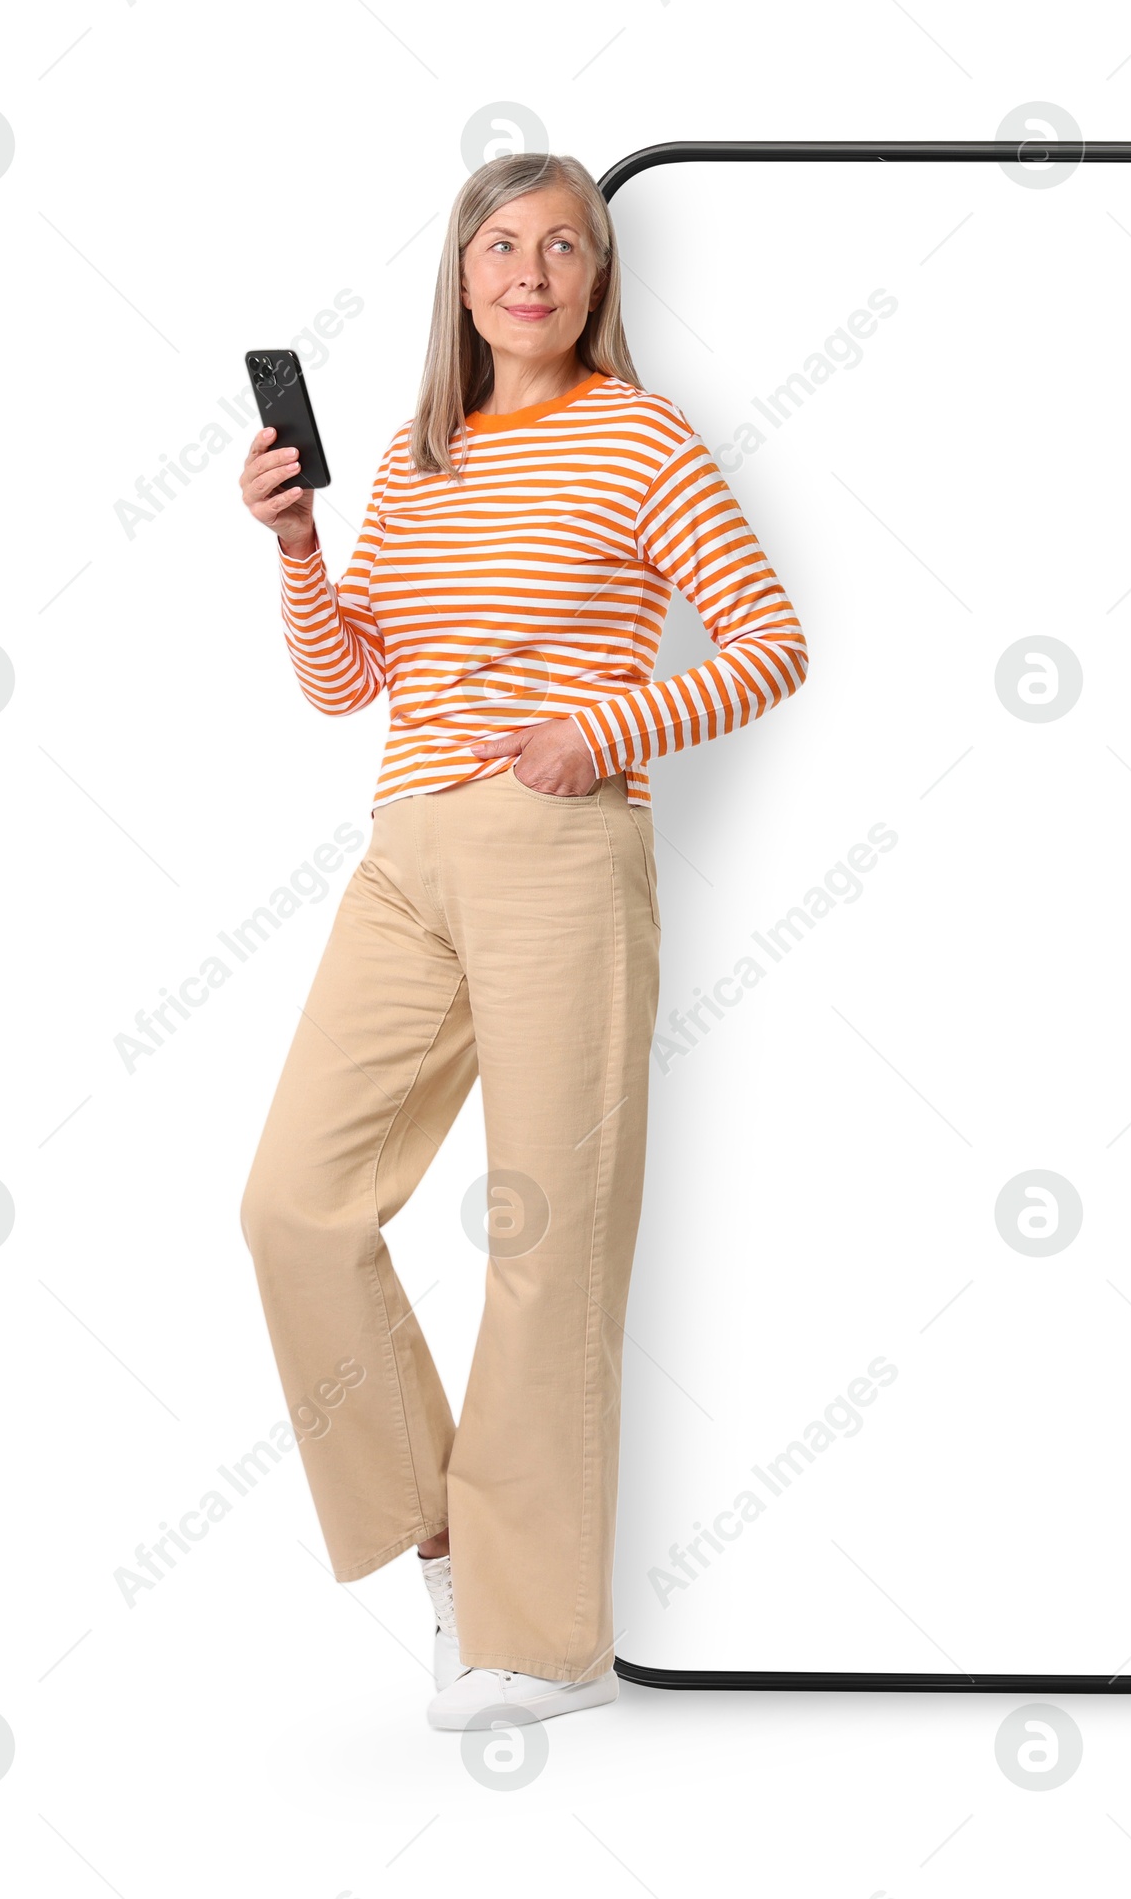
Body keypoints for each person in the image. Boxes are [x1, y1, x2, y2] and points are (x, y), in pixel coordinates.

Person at [237, 151, 808, 1729]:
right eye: (504, 243)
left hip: (561, 842)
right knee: (295, 1207)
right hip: (407, 847)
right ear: (463, 274)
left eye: (566, 244)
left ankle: (540, 1643)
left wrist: (598, 729)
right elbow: (347, 680)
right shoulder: (422, 458)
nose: (534, 270)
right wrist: (297, 550)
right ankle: (448, 1548)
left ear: (597, 278)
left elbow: (771, 644)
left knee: (550, 1238)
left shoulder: (642, 437)